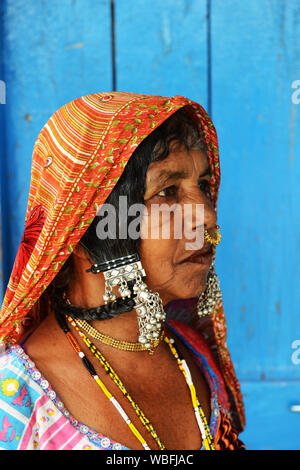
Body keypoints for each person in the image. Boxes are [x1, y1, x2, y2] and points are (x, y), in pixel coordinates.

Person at [0, 92, 245, 450]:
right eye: (168, 191)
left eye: (204, 186)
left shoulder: (193, 355)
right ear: (88, 220)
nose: (206, 215)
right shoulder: (18, 402)